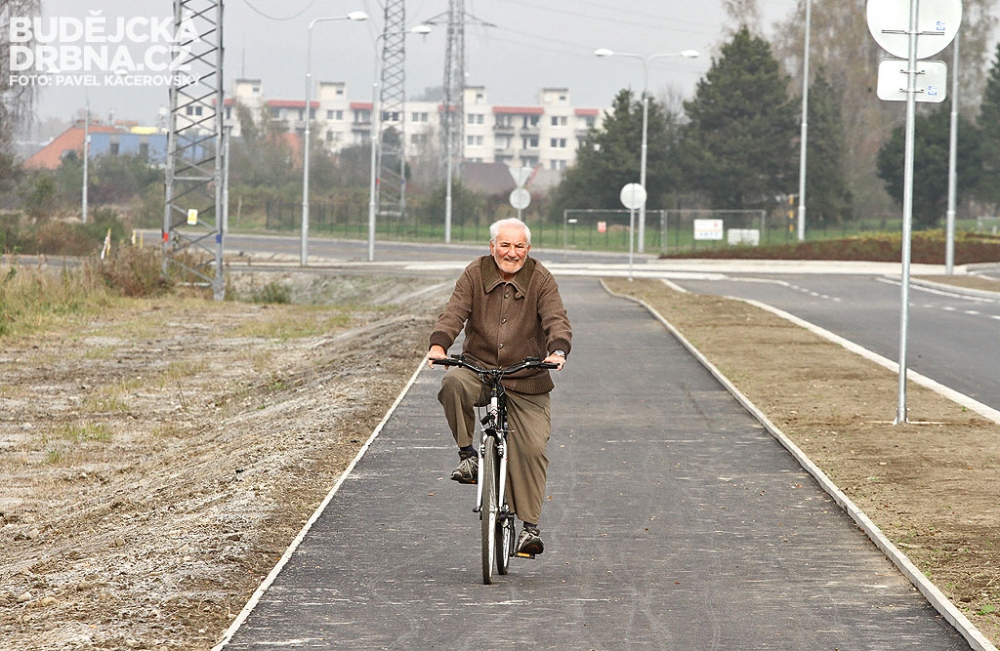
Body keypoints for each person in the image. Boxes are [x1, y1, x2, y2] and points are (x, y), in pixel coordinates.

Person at [428, 217, 572, 556]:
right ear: (492, 246)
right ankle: (469, 457)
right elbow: (454, 313)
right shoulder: (475, 273)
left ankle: (529, 529)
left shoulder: (540, 278)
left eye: (519, 246)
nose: (512, 253)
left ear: (528, 249)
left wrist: (557, 350)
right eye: (505, 245)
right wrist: (439, 344)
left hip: (527, 378)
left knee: (532, 448)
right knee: (452, 383)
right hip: (478, 370)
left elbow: (556, 318)